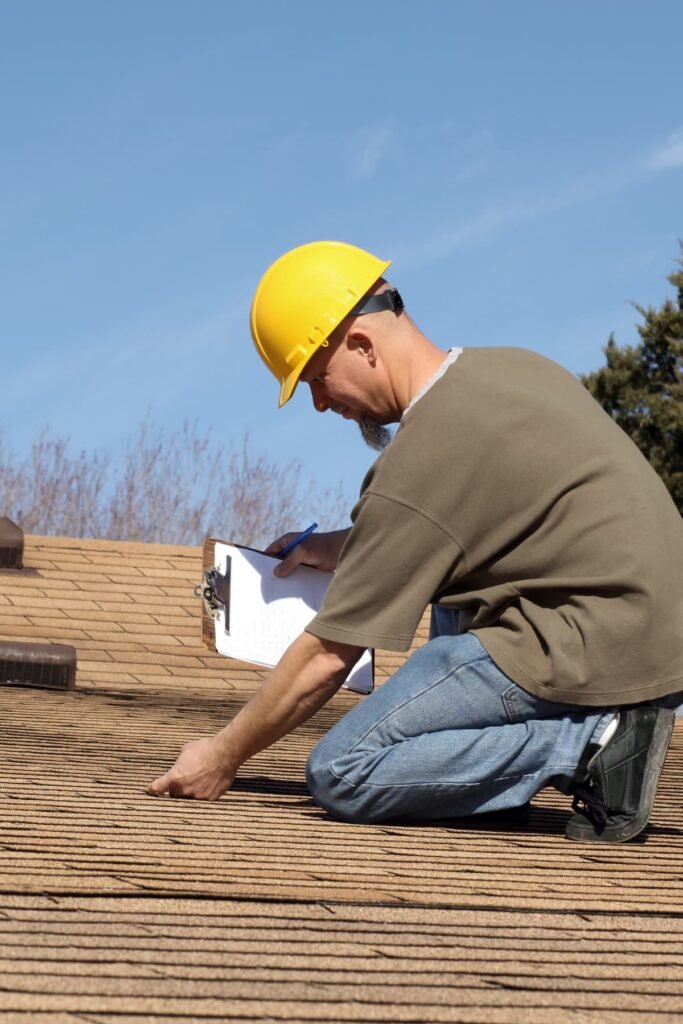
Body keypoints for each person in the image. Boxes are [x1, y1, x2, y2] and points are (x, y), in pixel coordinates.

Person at [148, 240, 683, 844]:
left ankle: (592, 744)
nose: (321, 404)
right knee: (450, 590)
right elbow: (455, 523)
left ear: (361, 344)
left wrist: (224, 752)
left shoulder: (422, 457)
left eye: (316, 379)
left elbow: (328, 655)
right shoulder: (509, 370)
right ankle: (489, 786)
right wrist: (342, 545)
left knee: (342, 771)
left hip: (596, 641)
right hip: (649, 624)